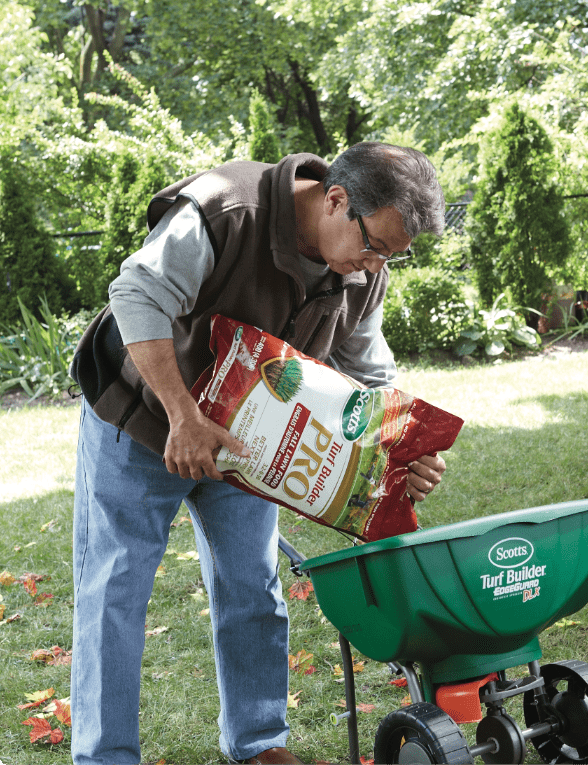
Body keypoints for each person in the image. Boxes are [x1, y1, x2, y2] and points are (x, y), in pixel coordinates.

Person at [70, 142, 447, 765]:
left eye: (391, 255)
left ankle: (259, 742)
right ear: (335, 199)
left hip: (242, 438)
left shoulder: (361, 271)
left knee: (253, 584)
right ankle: (105, 755)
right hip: (140, 416)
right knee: (117, 587)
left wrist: (404, 450)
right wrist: (182, 416)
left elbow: (372, 375)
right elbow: (135, 296)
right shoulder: (224, 209)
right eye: (374, 245)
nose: (375, 265)